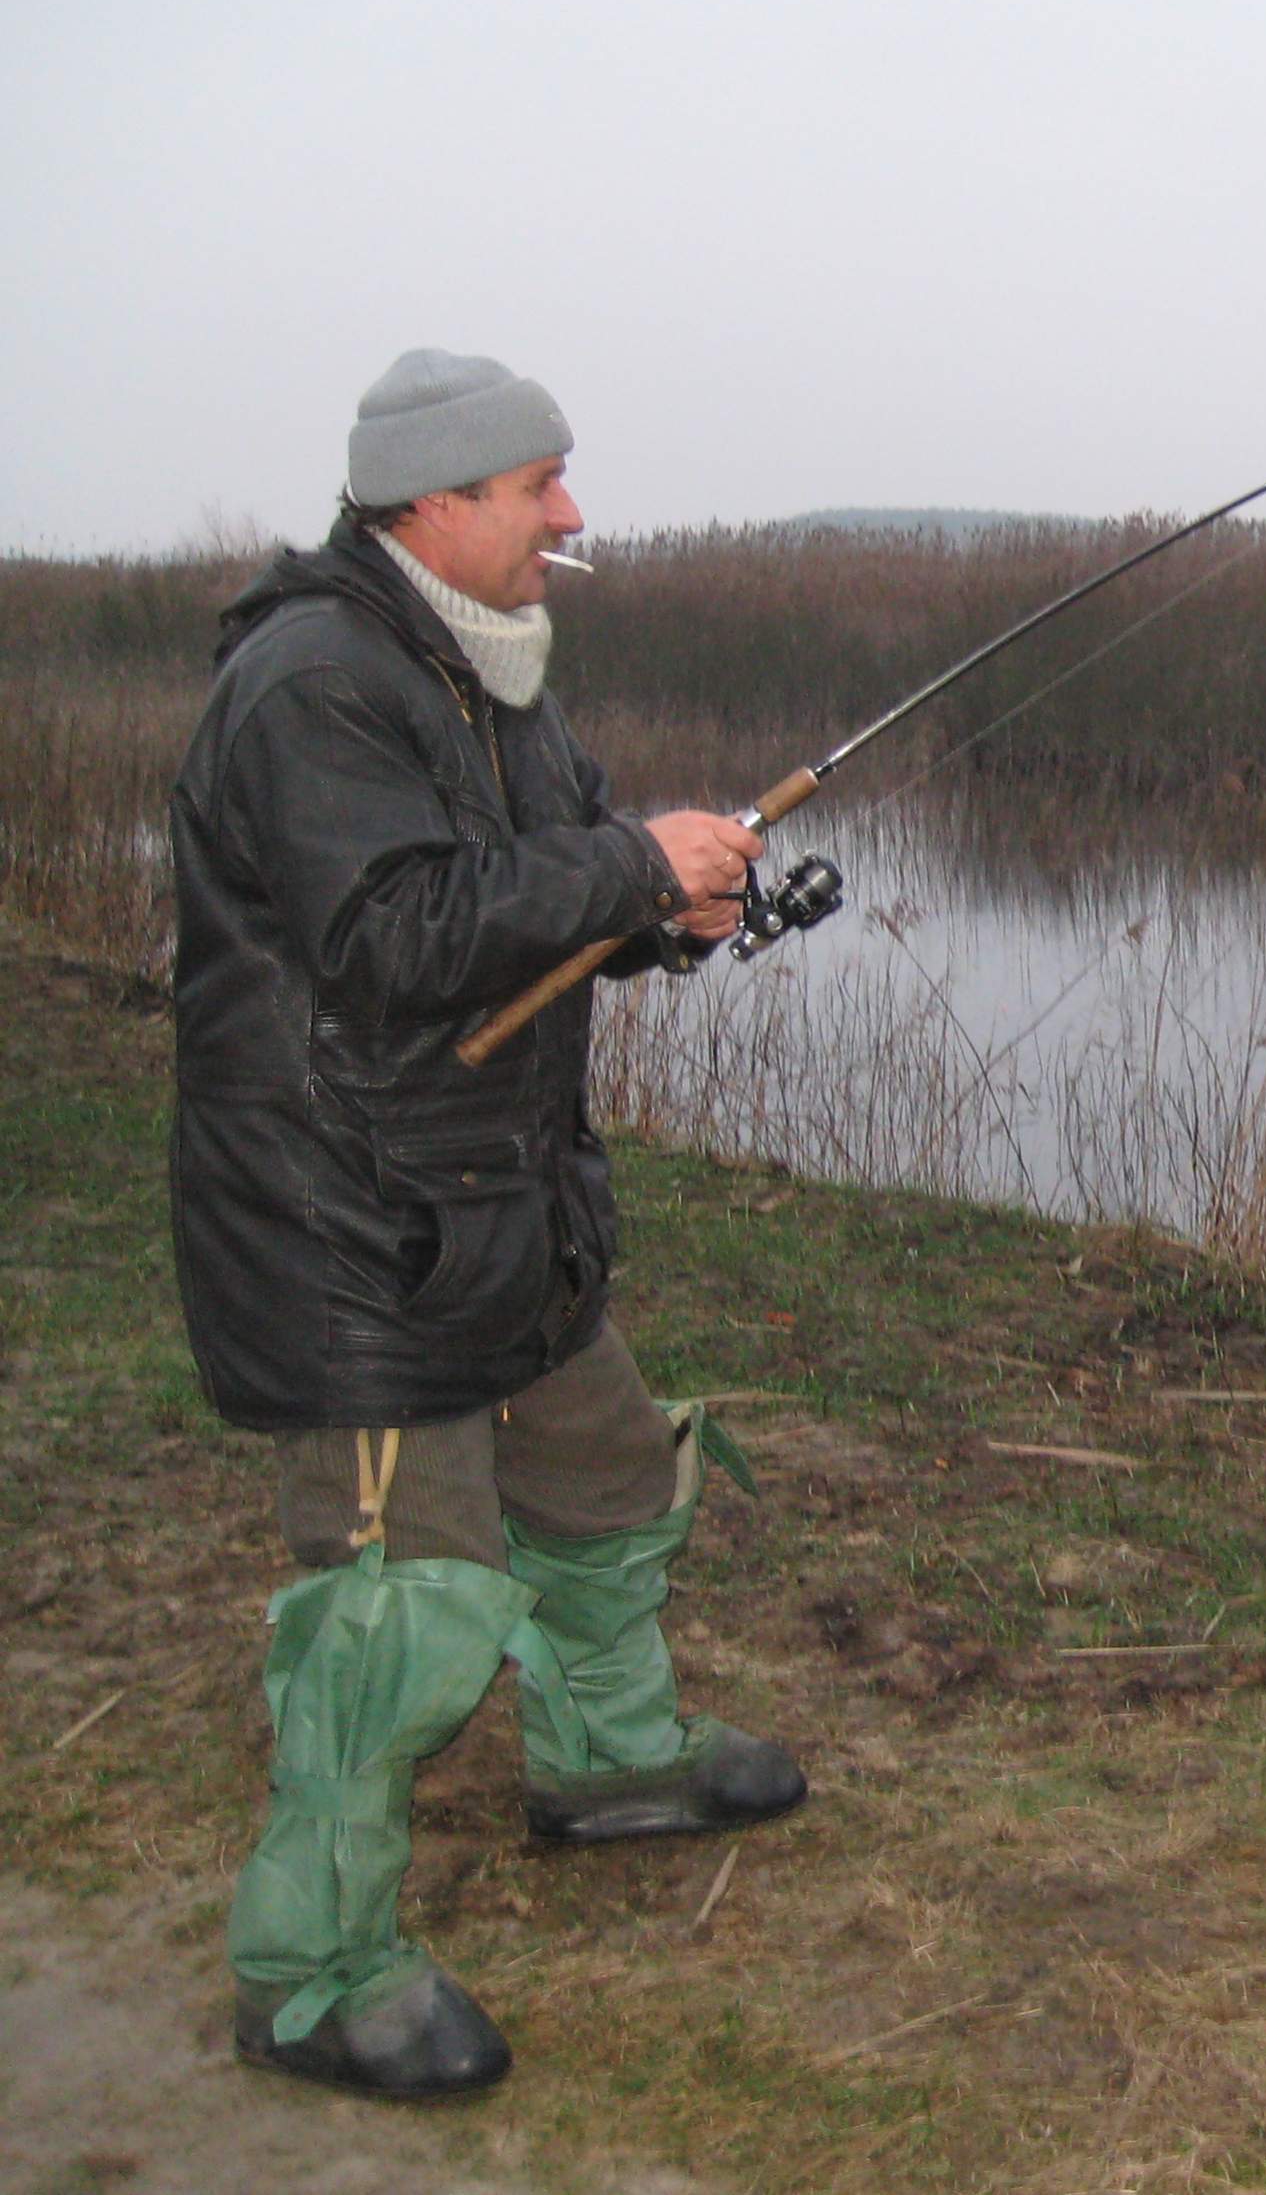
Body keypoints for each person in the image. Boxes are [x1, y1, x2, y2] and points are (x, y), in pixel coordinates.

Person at [172, 349, 808, 2099]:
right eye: (539, 484)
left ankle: (608, 1760)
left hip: (500, 1210)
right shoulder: (312, 681)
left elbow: (552, 881)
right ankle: (311, 1972)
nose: (569, 513)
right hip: (349, 1233)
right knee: (397, 1610)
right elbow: (389, 934)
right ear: (435, 499)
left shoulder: (492, 666)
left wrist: (671, 906)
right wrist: (629, 865)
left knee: (607, 1487)